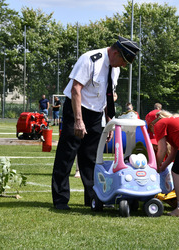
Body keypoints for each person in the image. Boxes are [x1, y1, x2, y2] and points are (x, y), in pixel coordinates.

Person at [51, 36, 140, 210]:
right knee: (66, 156)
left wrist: (109, 122)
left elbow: (108, 95)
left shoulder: (115, 69)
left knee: (91, 158)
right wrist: (78, 121)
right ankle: (60, 199)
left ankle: (93, 199)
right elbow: (76, 88)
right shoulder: (90, 59)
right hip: (76, 110)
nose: (123, 65)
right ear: (115, 52)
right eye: (123, 61)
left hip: (96, 114)